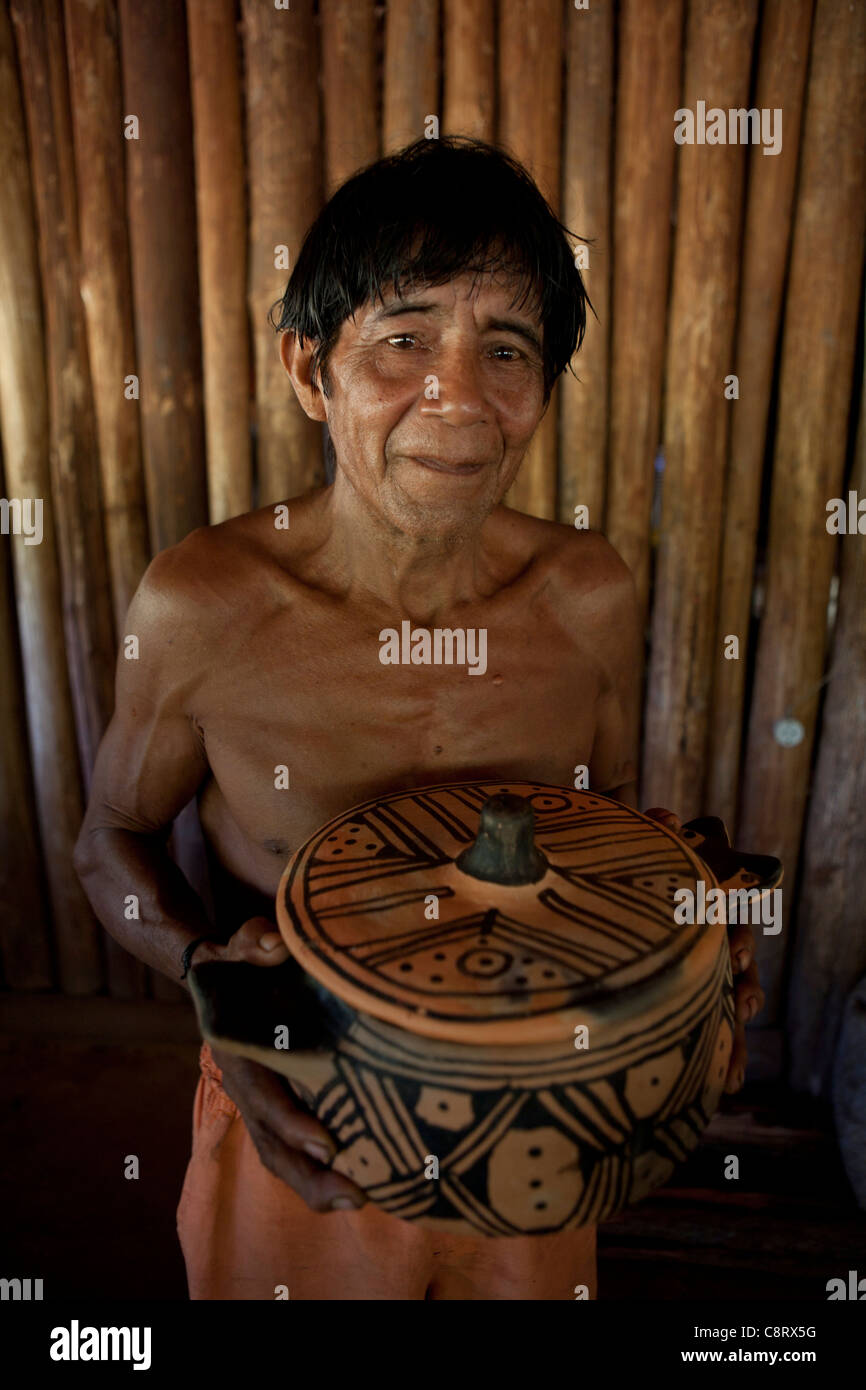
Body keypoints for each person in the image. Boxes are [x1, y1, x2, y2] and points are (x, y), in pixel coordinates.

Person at [74, 137, 763, 1300]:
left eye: (505, 349)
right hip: (300, 1118)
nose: (455, 393)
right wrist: (216, 985)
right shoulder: (203, 605)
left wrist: (687, 930)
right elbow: (108, 842)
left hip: (534, 1132)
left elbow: (592, 847)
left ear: (540, 392)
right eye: (403, 339)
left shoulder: (584, 598)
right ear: (308, 369)